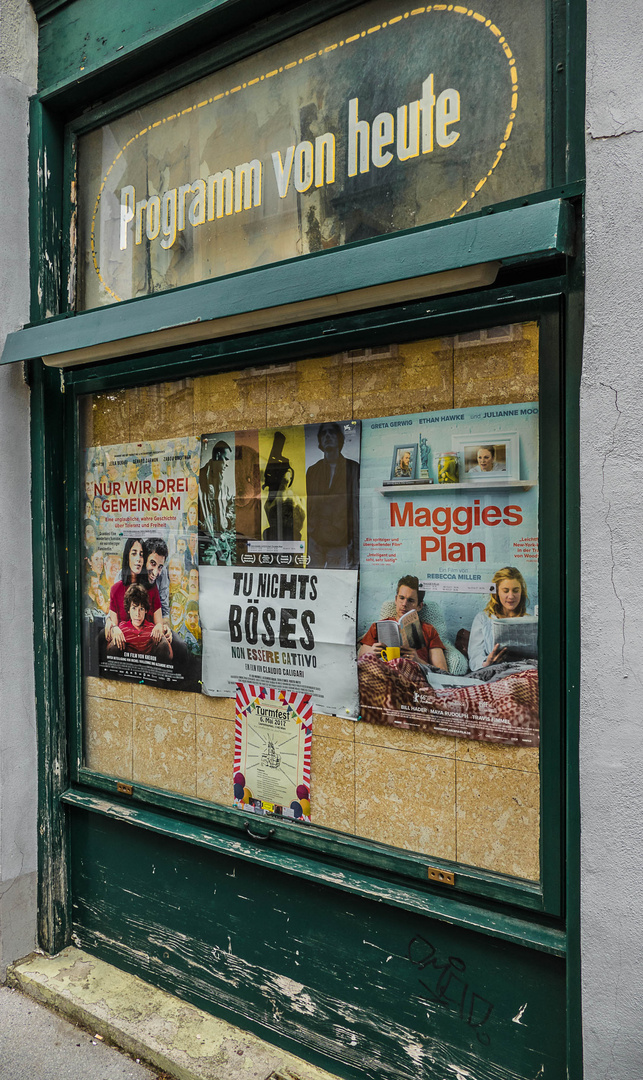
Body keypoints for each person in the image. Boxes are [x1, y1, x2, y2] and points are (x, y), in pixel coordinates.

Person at [358, 575, 447, 669]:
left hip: (415, 675)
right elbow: (358, 664)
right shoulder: (378, 626)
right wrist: (372, 653)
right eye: (401, 598)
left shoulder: (429, 630)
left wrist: (418, 661)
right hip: (386, 673)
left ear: (419, 606)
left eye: (411, 600)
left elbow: (443, 671)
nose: (404, 604)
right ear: (396, 599)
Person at [305, 422, 359, 568]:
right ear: (320, 441)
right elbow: (308, 504)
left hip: (340, 540)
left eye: (332, 433)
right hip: (315, 539)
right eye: (324, 434)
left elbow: (355, 505)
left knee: (335, 583)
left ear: (340, 438)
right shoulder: (312, 471)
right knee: (314, 580)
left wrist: (354, 541)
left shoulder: (353, 468)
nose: (327, 436)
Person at [105, 538, 164, 649]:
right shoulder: (116, 589)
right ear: (127, 556)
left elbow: (159, 622)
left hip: (148, 643)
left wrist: (159, 627)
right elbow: (113, 623)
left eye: (141, 555)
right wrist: (114, 628)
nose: (138, 559)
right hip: (124, 643)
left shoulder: (152, 588)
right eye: (134, 554)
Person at [468, 566, 530, 669]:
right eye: (505, 591)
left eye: (515, 591)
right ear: (496, 592)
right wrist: (487, 662)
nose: (511, 596)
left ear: (521, 591)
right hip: (495, 671)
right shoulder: (483, 619)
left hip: (525, 670)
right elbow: (474, 659)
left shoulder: (531, 617)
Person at [106, 583, 172, 661]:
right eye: (134, 608)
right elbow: (109, 651)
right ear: (128, 610)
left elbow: (169, 655)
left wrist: (163, 637)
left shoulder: (153, 629)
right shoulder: (121, 629)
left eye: (141, 609)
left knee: (163, 644)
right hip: (126, 665)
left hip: (149, 666)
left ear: (146, 610)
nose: (138, 614)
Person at [199, 440, 235, 544]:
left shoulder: (225, 484)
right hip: (205, 541)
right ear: (218, 456)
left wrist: (226, 523)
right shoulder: (199, 477)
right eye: (226, 459)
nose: (228, 464)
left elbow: (230, 506)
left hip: (222, 540)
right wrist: (202, 527)